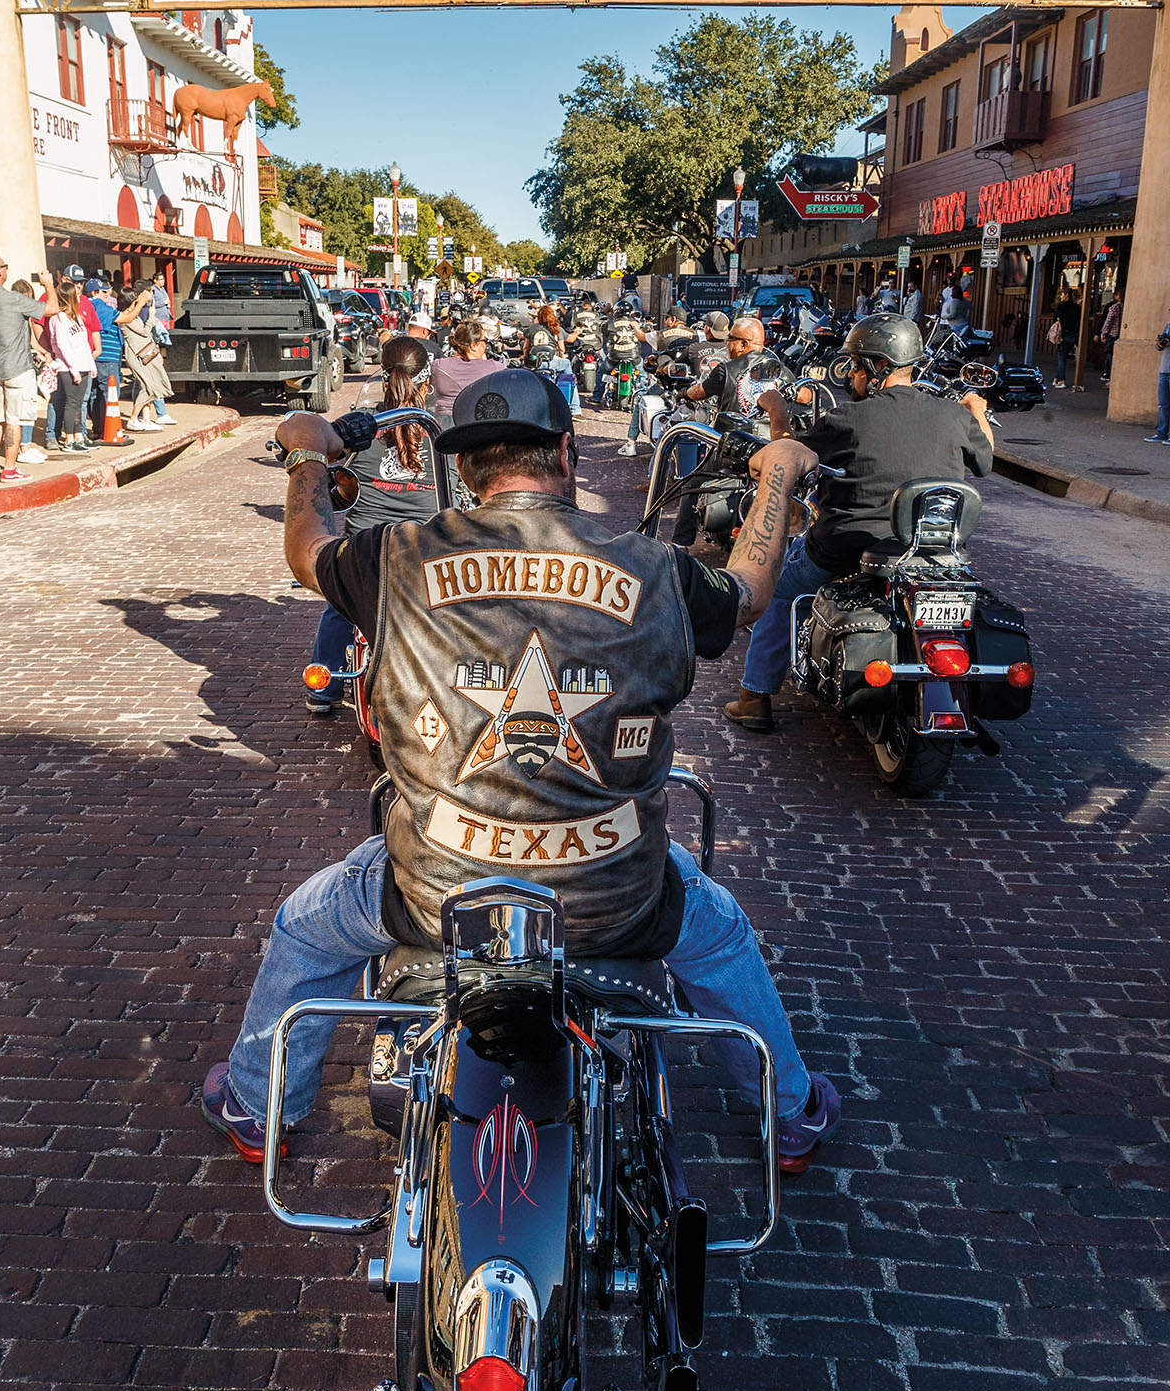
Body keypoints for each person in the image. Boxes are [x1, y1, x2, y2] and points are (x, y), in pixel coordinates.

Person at [202, 368, 842, 1173]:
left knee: (304, 927)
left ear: (464, 469)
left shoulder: (391, 557)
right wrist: (779, 469)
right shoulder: (658, 570)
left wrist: (306, 455)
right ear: (568, 453)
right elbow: (750, 589)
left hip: (433, 893)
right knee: (720, 937)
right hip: (617, 895)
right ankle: (791, 1112)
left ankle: (260, 1107)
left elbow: (306, 551)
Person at [724, 313, 995, 733]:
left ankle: (754, 696)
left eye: (855, 365)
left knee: (778, 592)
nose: (851, 374)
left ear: (877, 367)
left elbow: (788, 458)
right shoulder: (953, 416)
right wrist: (975, 409)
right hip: (930, 551)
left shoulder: (848, 419)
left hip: (844, 546)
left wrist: (777, 409)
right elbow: (986, 461)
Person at [307, 336, 441, 714]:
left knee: (341, 603)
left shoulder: (356, 429)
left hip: (365, 548)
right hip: (426, 547)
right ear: (427, 382)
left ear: (384, 379)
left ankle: (324, 688)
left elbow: (324, 460)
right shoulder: (441, 428)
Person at [0, 254, 56, 482]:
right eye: (5, 266)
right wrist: (48, 283)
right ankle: (8, 468)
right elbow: (52, 308)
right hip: (16, 368)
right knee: (14, 420)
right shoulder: (13, 300)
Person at [115, 284, 174, 430]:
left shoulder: (132, 315)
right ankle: (134, 418)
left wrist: (156, 351)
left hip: (145, 353)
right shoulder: (125, 317)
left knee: (148, 385)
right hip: (136, 356)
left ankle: (146, 419)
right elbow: (143, 331)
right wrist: (151, 317)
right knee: (148, 386)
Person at [47, 284, 97, 453]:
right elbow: (62, 345)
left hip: (83, 364)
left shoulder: (76, 317)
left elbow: (84, 343)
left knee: (78, 404)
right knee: (71, 403)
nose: (79, 295)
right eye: (75, 292)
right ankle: (68, 439)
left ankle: (78, 436)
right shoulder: (58, 318)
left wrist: (91, 363)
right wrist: (73, 369)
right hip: (67, 368)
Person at [83, 278, 131, 444]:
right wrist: (141, 303)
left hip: (93, 357)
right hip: (106, 358)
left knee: (94, 394)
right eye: (104, 292)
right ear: (95, 293)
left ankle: (98, 429)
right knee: (110, 394)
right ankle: (109, 430)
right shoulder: (100, 307)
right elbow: (127, 317)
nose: (107, 295)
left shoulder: (84, 306)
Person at [8, 279, 51, 465]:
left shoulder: (22, 318)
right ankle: (23, 447)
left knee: (27, 409)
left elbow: (30, 340)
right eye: (28, 298)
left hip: (25, 363)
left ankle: (25, 445)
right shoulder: (15, 316)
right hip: (20, 367)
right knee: (24, 409)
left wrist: (42, 351)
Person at [430, 318, 498, 415]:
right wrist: (484, 362)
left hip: (443, 423)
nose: (486, 346)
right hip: (475, 422)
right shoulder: (494, 368)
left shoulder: (438, 365)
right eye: (485, 341)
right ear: (474, 345)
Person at [1146, 314, 1170, 443]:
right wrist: (1160, 343)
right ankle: (1162, 433)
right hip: (1164, 369)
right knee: (1163, 404)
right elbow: (1159, 346)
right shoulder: (1168, 325)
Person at [1050, 290, 1080, 388]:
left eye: (1062, 294)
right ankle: (1056, 378)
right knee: (1063, 356)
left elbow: (1055, 319)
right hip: (1072, 333)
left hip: (1062, 333)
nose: (1061, 295)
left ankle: (1062, 380)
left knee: (1061, 356)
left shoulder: (1061, 306)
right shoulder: (1077, 307)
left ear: (1066, 295)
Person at [1099, 290, 1123, 387]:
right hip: (1122, 334)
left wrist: (1103, 333)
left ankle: (1111, 380)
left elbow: (1108, 322)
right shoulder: (1126, 306)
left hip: (1113, 335)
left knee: (1111, 358)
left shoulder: (1114, 307)